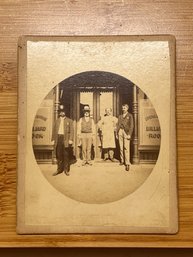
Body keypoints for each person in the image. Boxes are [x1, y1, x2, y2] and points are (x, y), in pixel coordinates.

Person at [52, 105, 74, 176]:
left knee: (66, 155)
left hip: (66, 139)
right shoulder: (57, 121)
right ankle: (59, 169)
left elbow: (72, 131)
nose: (62, 113)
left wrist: (70, 139)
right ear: (59, 113)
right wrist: (53, 139)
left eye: (63, 111)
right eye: (61, 112)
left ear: (65, 112)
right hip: (58, 138)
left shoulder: (69, 120)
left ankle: (66, 170)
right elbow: (54, 130)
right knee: (59, 155)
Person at [117, 104, 134, 171]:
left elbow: (131, 126)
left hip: (126, 133)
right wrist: (117, 133)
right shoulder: (120, 116)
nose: (123, 109)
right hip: (120, 131)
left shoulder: (130, 116)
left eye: (124, 108)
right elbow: (118, 124)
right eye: (122, 108)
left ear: (127, 108)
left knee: (126, 147)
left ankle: (127, 163)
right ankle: (122, 161)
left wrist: (129, 134)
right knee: (121, 147)